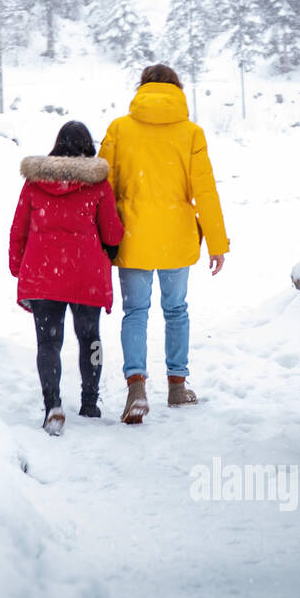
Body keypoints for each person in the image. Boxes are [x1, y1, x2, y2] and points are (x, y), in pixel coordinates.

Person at [99, 64, 229, 423]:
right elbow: (205, 190)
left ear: (142, 88)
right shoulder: (191, 133)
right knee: (176, 310)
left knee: (135, 312)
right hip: (175, 236)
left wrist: (101, 235)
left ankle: (136, 387)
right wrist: (217, 242)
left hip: (132, 236)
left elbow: (103, 187)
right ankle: (177, 385)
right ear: (177, 89)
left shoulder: (120, 129)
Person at [9, 121, 124, 436]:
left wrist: (18, 267)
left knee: (48, 343)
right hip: (86, 276)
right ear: (89, 147)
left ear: (57, 145)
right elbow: (112, 234)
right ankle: (90, 402)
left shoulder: (35, 183)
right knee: (91, 339)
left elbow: (19, 228)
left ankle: (53, 405)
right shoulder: (98, 185)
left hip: (43, 274)